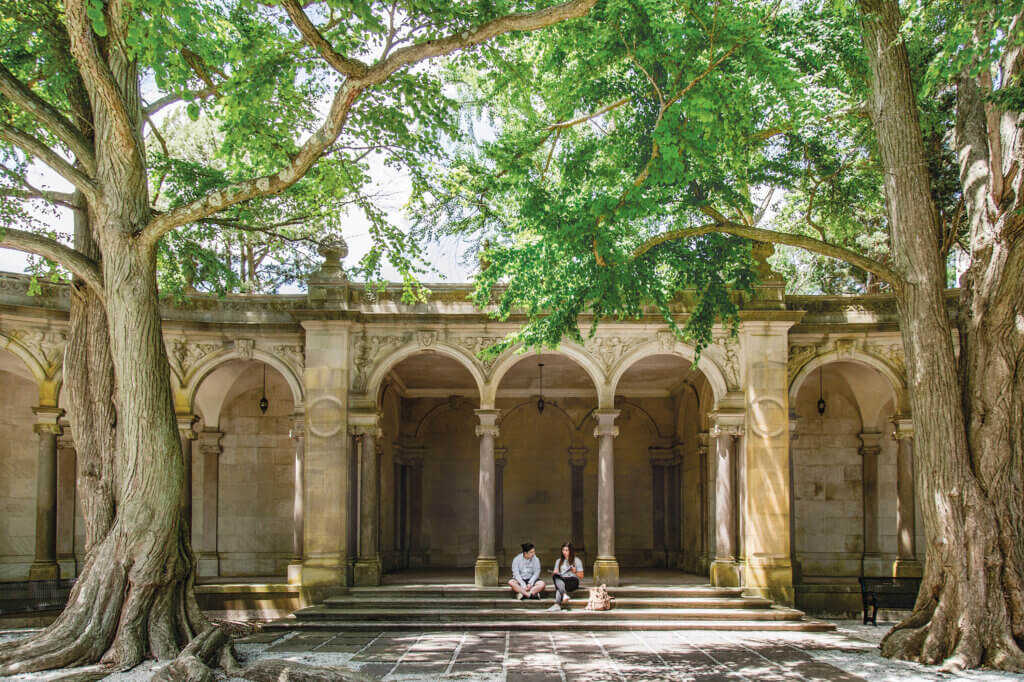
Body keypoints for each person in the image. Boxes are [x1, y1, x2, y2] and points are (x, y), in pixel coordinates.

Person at [547, 542, 583, 611]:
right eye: (563, 550)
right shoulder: (558, 561)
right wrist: (555, 572)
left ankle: (557, 604)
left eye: (567, 550)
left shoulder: (577, 560)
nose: (564, 552)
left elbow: (581, 576)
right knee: (556, 578)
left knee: (559, 587)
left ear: (570, 551)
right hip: (562, 580)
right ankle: (563, 596)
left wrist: (575, 571)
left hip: (572, 581)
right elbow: (556, 572)